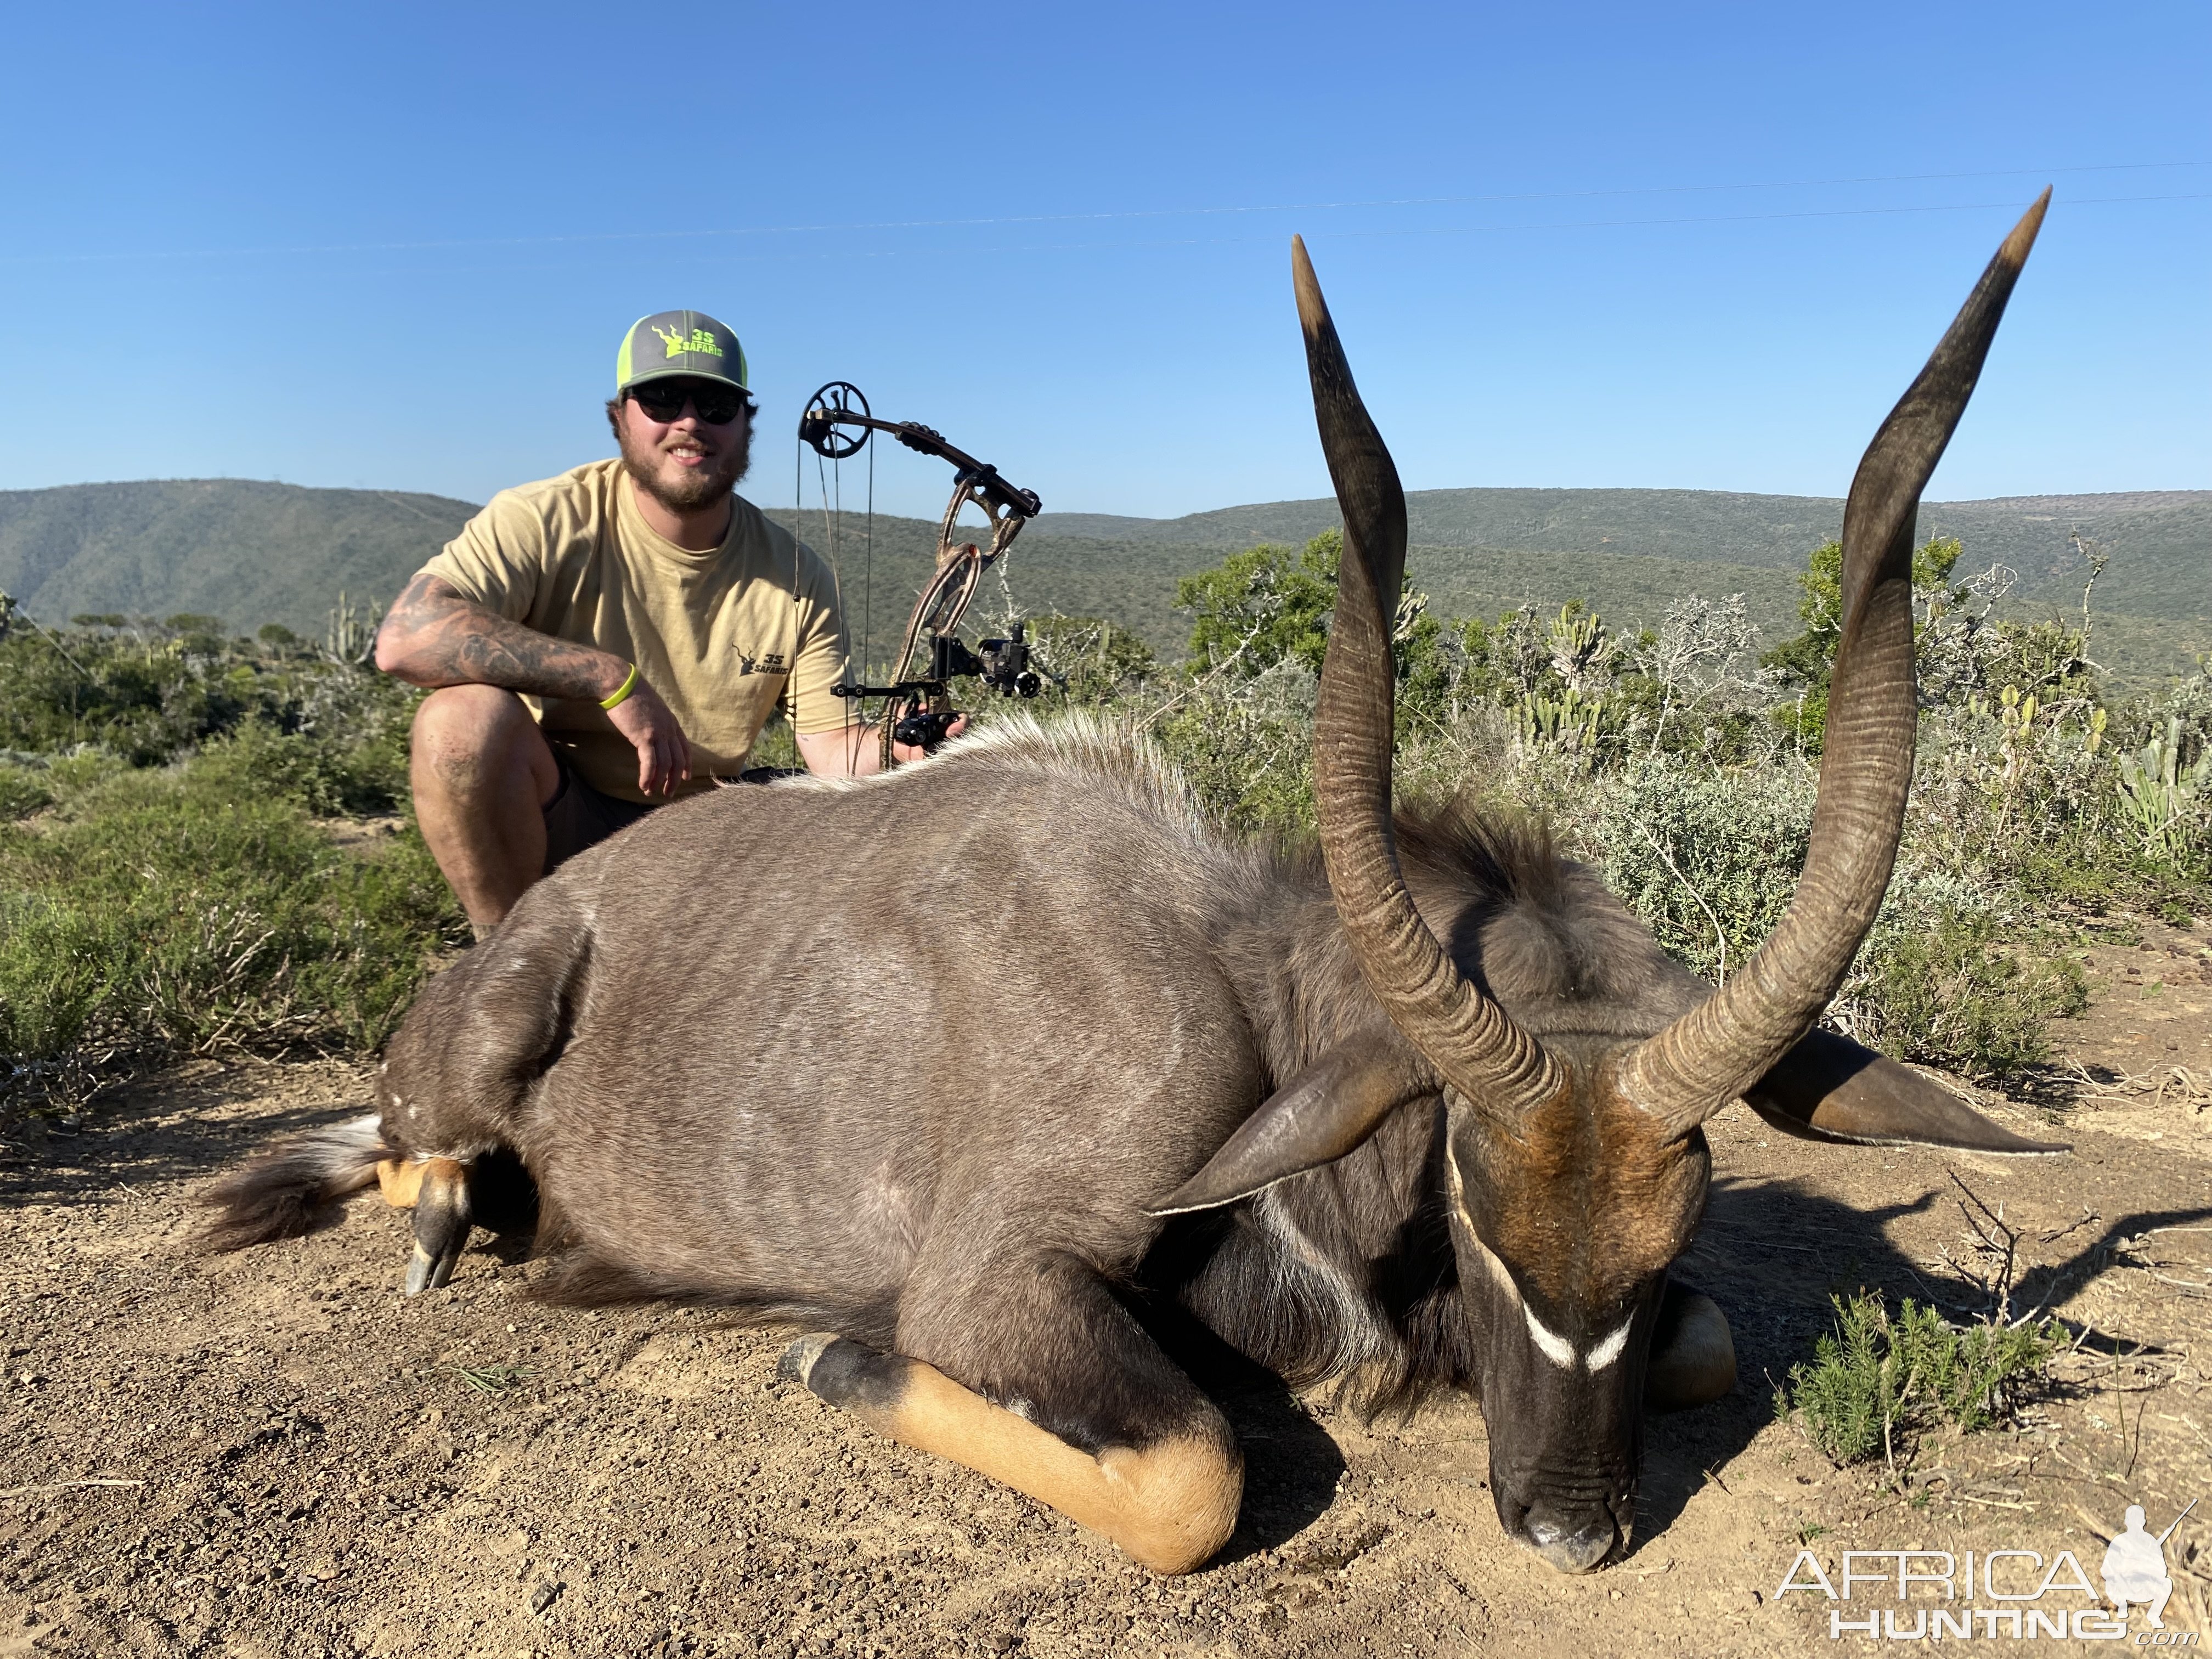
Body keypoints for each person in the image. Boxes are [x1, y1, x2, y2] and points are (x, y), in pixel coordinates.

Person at [374, 309, 920, 935]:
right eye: (662, 399)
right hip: (565, 817)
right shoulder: (543, 518)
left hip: (709, 838)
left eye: (716, 403)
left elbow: (830, 750)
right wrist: (609, 679)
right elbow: (406, 638)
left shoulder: (798, 574)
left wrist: (899, 748)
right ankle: (507, 966)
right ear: (620, 417)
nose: (689, 421)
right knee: (458, 725)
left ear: (746, 424)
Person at [2100, 1505, 2172, 1628]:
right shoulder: (2121, 1540)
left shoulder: (2150, 1542)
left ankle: (2154, 1615)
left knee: (2167, 1584)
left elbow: (2162, 1570)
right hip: (2124, 1583)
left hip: (2145, 1585)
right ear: (2127, 1522)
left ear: (2144, 1522)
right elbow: (2107, 1567)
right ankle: (2116, 1607)